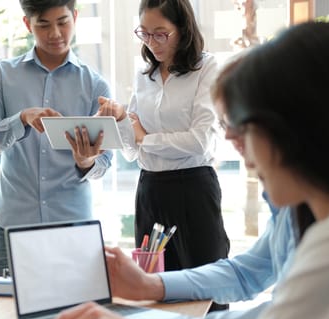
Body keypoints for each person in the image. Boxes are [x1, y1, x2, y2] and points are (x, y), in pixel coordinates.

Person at [37, 21, 329, 319]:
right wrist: (151, 285)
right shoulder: (295, 208)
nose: (236, 145)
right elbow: (252, 283)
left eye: (241, 126)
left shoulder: (327, 246)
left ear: (298, 127)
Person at [0, 0, 113, 276]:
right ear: (28, 24)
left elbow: (105, 162)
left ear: (74, 17)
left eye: (63, 22)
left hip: (72, 228)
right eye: (43, 24)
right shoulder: (1, 76)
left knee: (75, 316)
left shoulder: (95, 85)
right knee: (3, 316)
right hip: (11, 226)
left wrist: (86, 162)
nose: (55, 34)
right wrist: (21, 119)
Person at [97, 0, 230, 279]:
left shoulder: (206, 67)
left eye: (160, 33)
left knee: (206, 284)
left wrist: (146, 138)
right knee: (152, 285)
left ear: (182, 29)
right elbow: (132, 151)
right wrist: (121, 118)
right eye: (144, 33)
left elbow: (200, 141)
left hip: (193, 187)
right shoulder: (145, 73)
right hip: (149, 190)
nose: (152, 43)